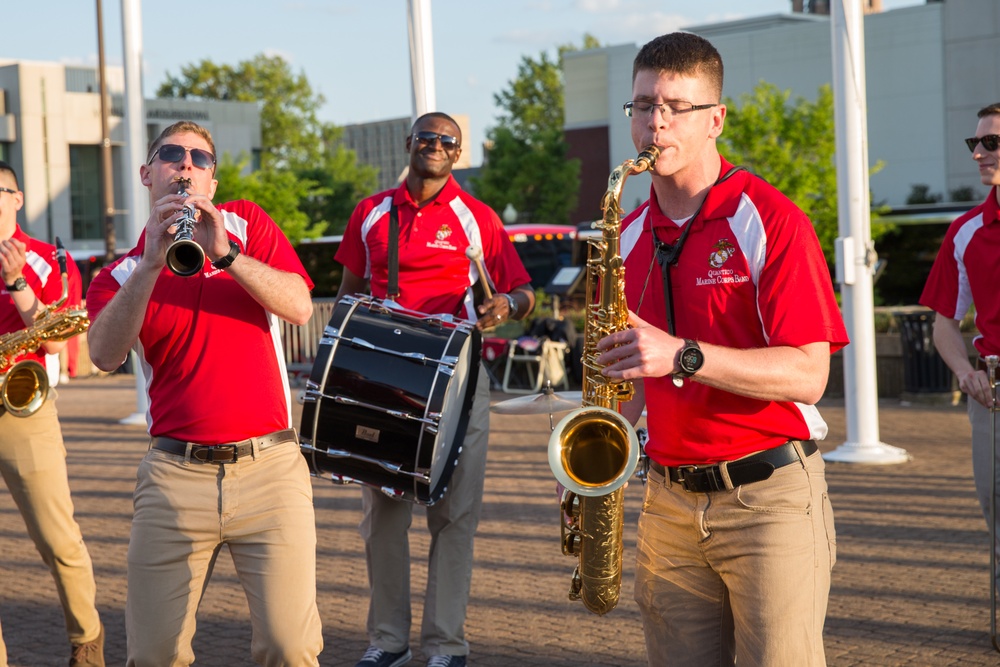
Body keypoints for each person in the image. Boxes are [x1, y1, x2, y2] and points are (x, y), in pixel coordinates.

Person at [593, 33, 848, 666]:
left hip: (768, 501)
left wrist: (682, 355)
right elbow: (621, 378)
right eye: (643, 105)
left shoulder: (770, 218)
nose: (656, 123)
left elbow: (809, 373)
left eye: (676, 106)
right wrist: (594, 466)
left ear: (716, 119)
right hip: (667, 502)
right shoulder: (622, 234)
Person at [85, 121, 323, 666]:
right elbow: (102, 355)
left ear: (212, 180)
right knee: (154, 655)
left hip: (270, 470)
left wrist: (228, 256)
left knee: (291, 649)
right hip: (175, 478)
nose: (186, 165)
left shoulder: (248, 223)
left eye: (200, 158)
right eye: (171, 155)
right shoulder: (118, 272)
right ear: (148, 174)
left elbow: (299, 305)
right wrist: (150, 264)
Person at [336, 112, 534, 667]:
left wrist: (508, 305)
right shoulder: (370, 212)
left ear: (458, 152)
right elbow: (347, 295)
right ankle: (388, 642)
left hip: (459, 380)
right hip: (385, 381)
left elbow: (522, 290)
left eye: (449, 141)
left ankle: (447, 646)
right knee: (383, 517)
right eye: (428, 138)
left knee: (454, 516)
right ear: (410, 144)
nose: (437, 146)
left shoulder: (478, 218)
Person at [0, 161, 104, 667]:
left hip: (21, 409)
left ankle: (87, 644)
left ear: (17, 198)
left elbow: (61, 339)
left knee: (56, 537)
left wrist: (16, 280)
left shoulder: (47, 259)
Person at [920, 102, 1000, 590]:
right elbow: (943, 323)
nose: (979, 153)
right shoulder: (965, 231)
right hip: (992, 395)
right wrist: (962, 372)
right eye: (976, 143)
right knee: (997, 514)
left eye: (991, 142)